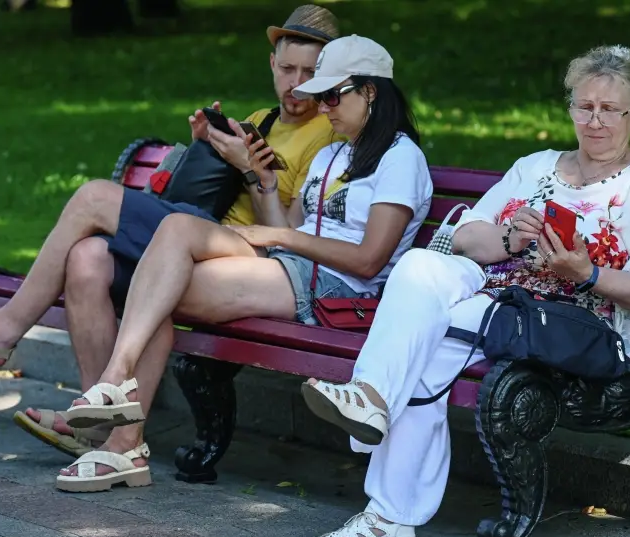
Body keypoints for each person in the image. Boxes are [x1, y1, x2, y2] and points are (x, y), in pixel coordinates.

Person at [298, 44, 630, 537]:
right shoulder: (534, 168)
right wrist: (512, 238)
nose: (595, 121)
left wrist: (586, 271)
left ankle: (383, 479)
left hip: (575, 326)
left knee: (425, 350)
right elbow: (463, 237)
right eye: (584, 106)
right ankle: (378, 440)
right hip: (494, 305)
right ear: (570, 107)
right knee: (421, 266)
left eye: (610, 109)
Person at [50, 34, 434, 493]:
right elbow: (288, 225)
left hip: (337, 290)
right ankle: (120, 421)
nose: (324, 107)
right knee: (172, 237)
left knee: (160, 288)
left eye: (332, 94)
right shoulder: (334, 154)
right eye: (321, 97)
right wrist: (259, 177)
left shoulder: (401, 159)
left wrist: (280, 236)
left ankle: (121, 424)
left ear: (370, 91)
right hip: (292, 268)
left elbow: (370, 260)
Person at [0, 4, 342, 456]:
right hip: (200, 234)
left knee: (94, 197)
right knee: (87, 261)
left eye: (309, 73)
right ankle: (94, 420)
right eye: (287, 68)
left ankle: (2, 332)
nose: (295, 83)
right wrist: (207, 148)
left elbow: (286, 237)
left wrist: (252, 172)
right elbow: (202, 193)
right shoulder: (260, 120)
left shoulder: (328, 135)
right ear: (272, 64)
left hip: (250, 258)